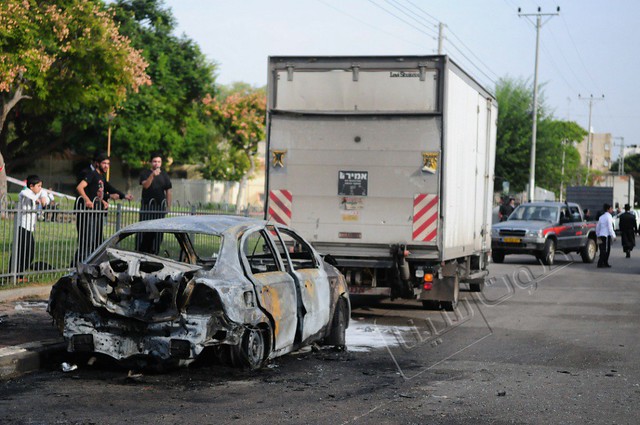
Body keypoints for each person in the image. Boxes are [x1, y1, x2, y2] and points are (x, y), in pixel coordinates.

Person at [73, 152, 133, 266]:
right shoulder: (91, 174)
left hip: (97, 213)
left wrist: (122, 196)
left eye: (108, 163)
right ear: (97, 163)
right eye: (104, 163)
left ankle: (91, 265)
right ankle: (80, 266)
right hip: (87, 214)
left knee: (97, 241)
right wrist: (87, 200)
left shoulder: (101, 177)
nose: (106, 166)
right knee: (87, 241)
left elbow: (105, 190)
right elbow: (80, 187)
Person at [10, 175, 50, 279]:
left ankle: (19, 274)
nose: (40, 188)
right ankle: (14, 274)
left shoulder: (37, 192)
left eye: (41, 186)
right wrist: (39, 199)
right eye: (38, 186)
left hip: (29, 228)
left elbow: (45, 195)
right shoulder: (24, 192)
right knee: (20, 251)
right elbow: (28, 195)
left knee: (29, 252)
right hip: (21, 227)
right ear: (31, 186)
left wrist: (44, 197)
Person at [137, 152, 172, 254]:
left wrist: (168, 206)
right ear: (150, 162)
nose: (157, 164)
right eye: (155, 161)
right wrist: (152, 175)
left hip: (159, 207)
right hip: (147, 207)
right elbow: (146, 185)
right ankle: (142, 251)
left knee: (158, 232)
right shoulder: (145, 173)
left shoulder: (164, 175)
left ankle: (154, 252)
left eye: (159, 162)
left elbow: (168, 191)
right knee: (145, 231)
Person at [596, 203, 616, 268]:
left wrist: (597, 234)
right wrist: (613, 235)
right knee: (606, 250)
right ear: (608, 209)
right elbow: (610, 227)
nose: (612, 210)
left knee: (602, 249)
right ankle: (603, 262)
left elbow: (598, 227)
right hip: (606, 235)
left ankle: (602, 263)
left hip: (601, 235)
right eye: (611, 208)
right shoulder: (609, 217)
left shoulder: (601, 217)